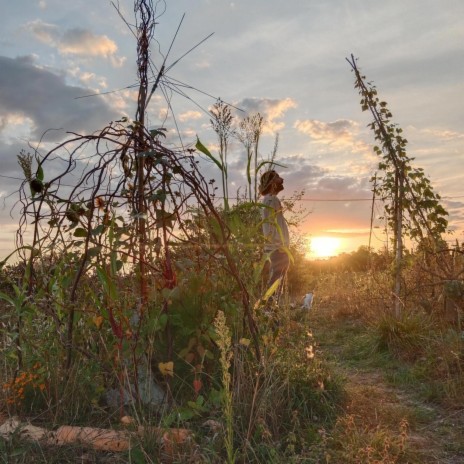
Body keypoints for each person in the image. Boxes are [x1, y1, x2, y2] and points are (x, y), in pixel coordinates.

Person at [259, 170, 290, 303]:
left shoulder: (268, 200)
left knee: (276, 282)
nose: (281, 180)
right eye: (278, 178)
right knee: (275, 283)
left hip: (276, 247)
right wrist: (281, 246)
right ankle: (268, 311)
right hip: (278, 248)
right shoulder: (272, 200)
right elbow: (271, 226)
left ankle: (271, 311)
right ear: (272, 183)